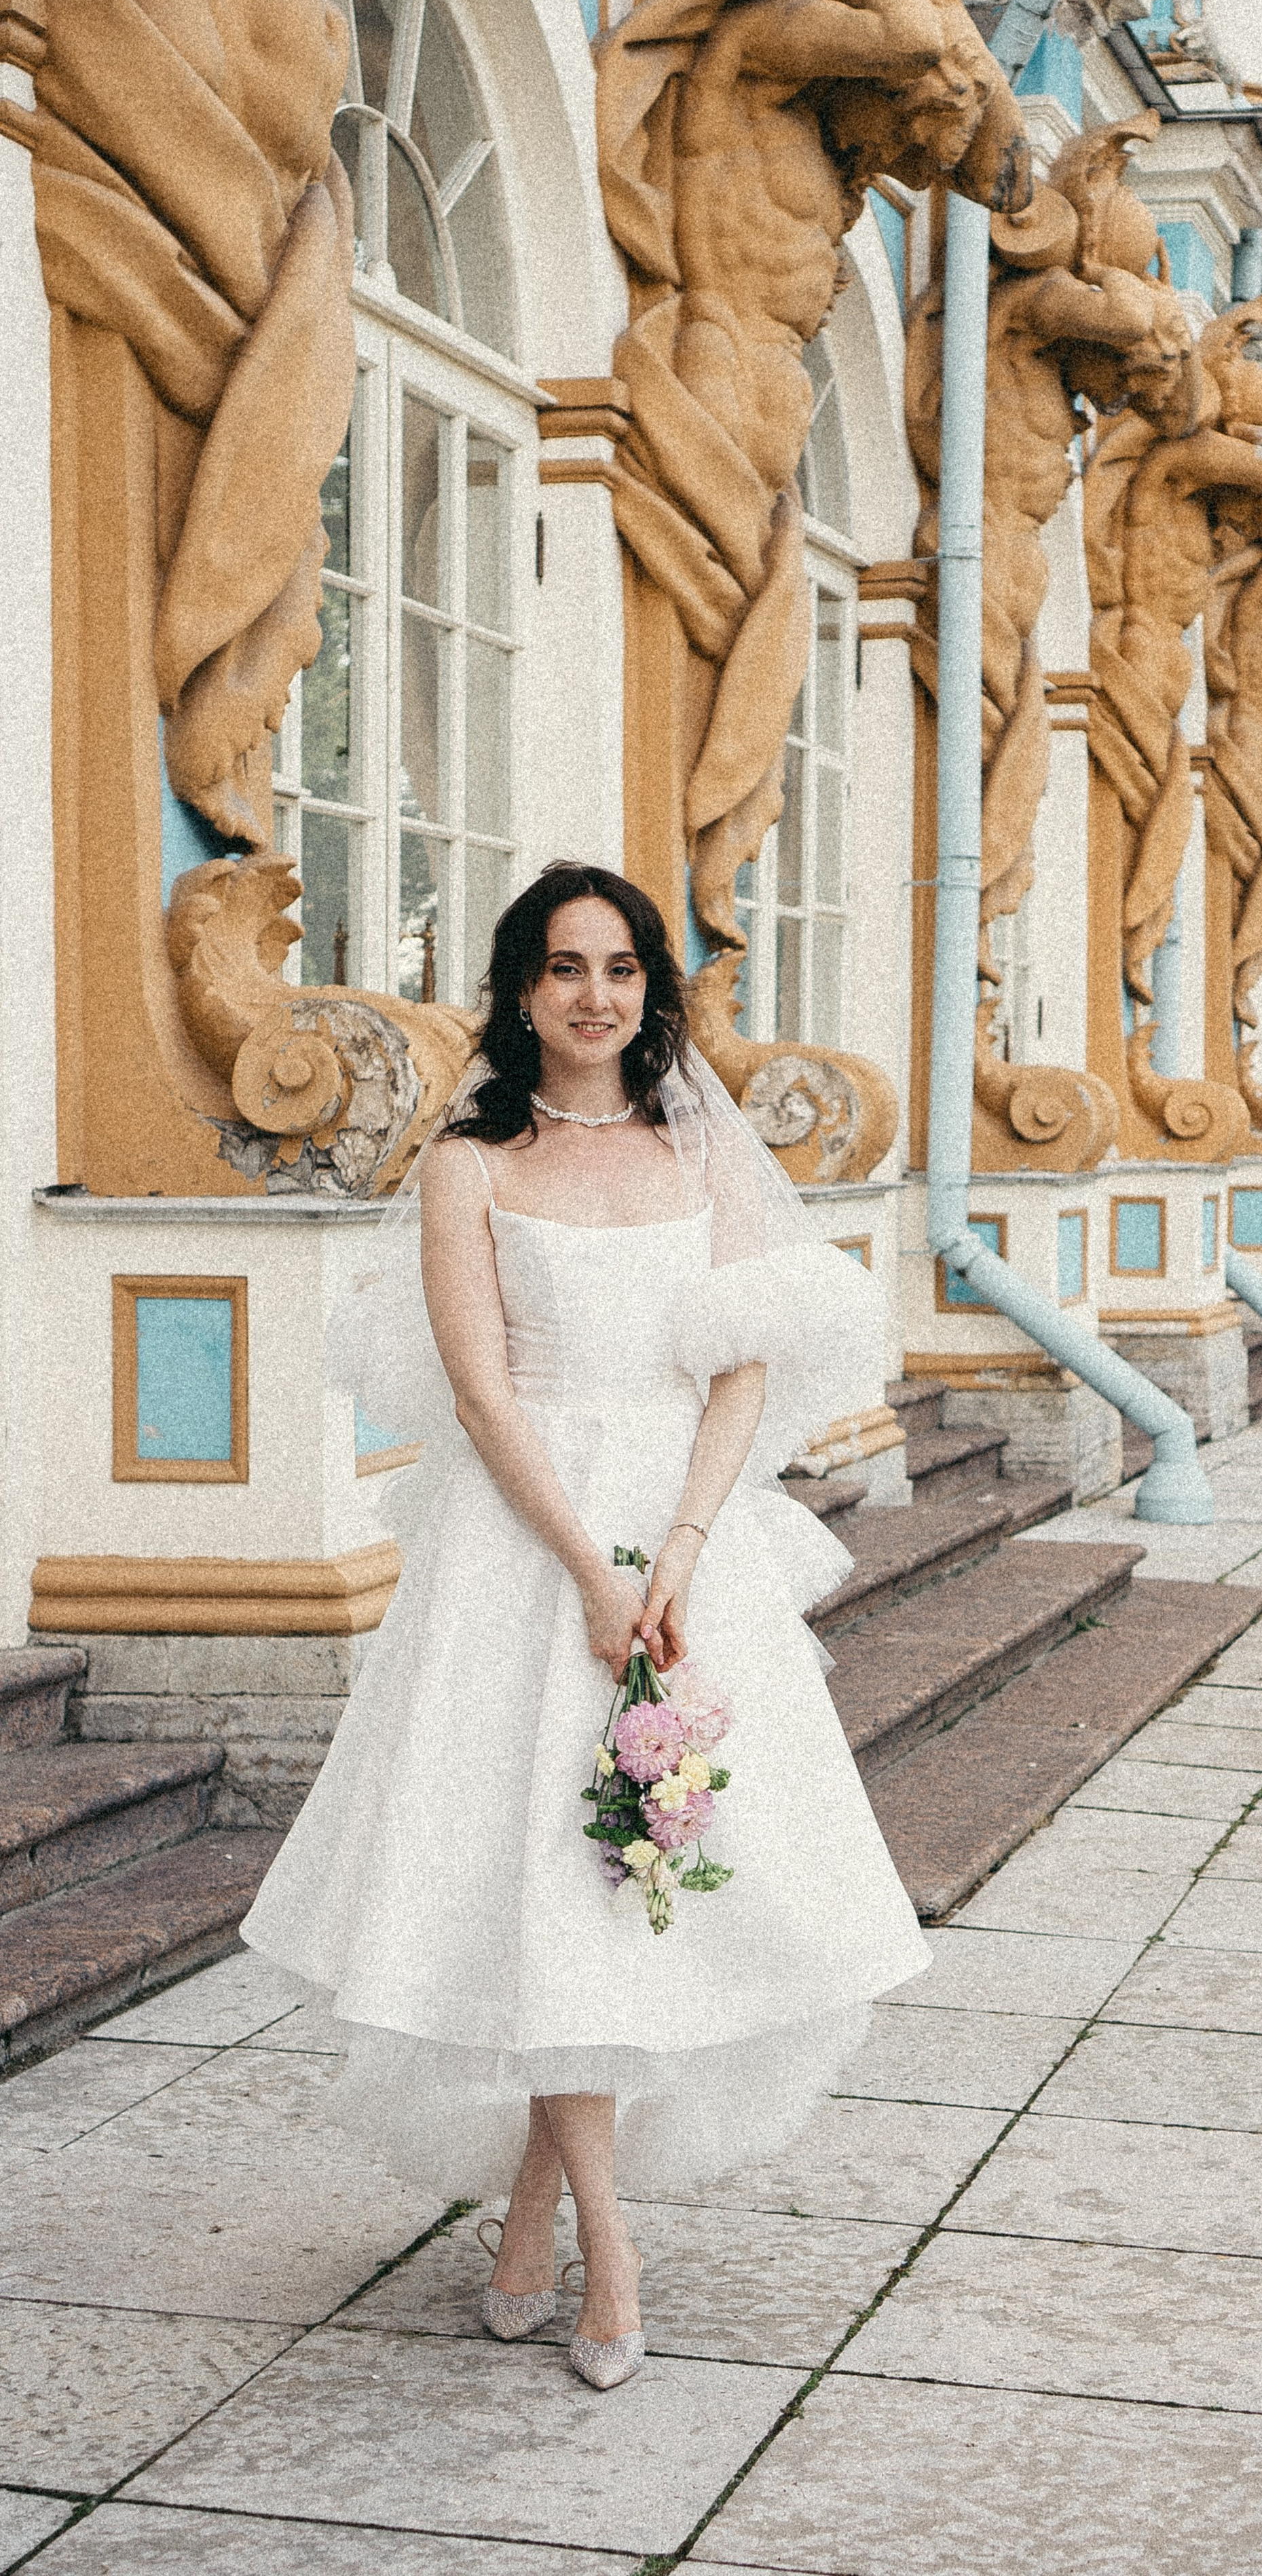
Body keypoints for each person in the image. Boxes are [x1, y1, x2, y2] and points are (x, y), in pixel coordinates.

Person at [241, 863, 929, 2389]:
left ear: (649, 989)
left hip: (688, 1539)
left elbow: (744, 1359)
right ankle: (609, 2260)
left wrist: (677, 1550)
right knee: (542, 1890)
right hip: (523, 1544)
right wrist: (592, 1573)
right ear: (519, 987)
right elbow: (482, 1394)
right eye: (562, 968)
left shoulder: (697, 1151)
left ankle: (529, 2227)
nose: (593, 996)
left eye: (619, 968)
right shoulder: (467, 1165)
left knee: (620, 1890)